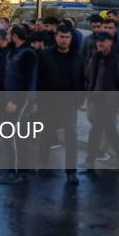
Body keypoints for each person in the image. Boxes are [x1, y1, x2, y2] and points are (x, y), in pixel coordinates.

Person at [36, 22, 84, 184]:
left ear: (71, 38)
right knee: (47, 132)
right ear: (56, 37)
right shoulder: (45, 55)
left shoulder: (77, 56)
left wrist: (80, 100)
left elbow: (82, 79)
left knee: (71, 134)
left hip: (69, 101)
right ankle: (42, 161)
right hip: (48, 100)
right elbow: (38, 78)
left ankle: (71, 171)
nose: (64, 40)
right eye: (61, 37)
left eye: (67, 37)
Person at [82, 32, 119, 168]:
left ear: (111, 42)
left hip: (109, 101)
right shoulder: (94, 59)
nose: (100, 43)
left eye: (103, 41)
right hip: (96, 100)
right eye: (98, 41)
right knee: (110, 130)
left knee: (95, 130)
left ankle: (89, 160)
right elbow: (88, 79)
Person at [0, 25, 37, 184]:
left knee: (13, 136)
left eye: (8, 34)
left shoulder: (28, 53)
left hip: (21, 101)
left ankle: (17, 172)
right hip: (10, 99)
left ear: (15, 36)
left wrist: (15, 101)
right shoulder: (13, 52)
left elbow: (27, 80)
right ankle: (15, 169)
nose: (6, 37)